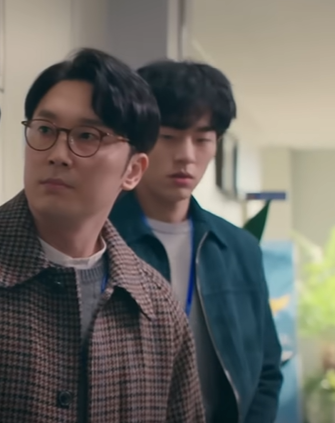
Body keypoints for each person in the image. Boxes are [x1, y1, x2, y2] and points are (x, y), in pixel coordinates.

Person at [0, 49, 205, 422]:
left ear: (133, 170)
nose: (58, 154)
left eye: (87, 136)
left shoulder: (157, 309)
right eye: (45, 130)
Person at [109, 60, 283, 423]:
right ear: (137, 139)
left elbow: (266, 369)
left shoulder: (238, 248)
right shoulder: (100, 238)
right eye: (168, 136)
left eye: (203, 139)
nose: (187, 155)